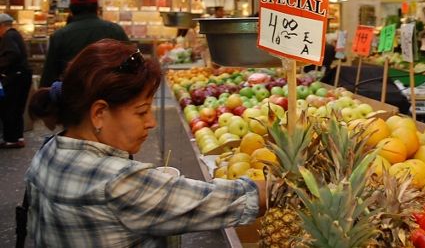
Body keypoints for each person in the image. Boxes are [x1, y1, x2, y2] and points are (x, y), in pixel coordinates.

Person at [26, 39, 265, 246]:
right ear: (99, 113)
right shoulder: (118, 182)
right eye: (141, 112)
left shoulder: (47, 151)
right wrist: (279, 187)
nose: (151, 122)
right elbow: (226, 200)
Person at [40, 0, 129, 87]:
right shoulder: (115, 30)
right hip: (109, 94)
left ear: (71, 10)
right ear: (96, 7)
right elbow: (134, 66)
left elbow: (49, 77)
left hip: (74, 96)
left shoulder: (60, 36)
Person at [0, 14, 32, 148]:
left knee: (9, 107)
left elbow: (13, 54)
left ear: (1, 26)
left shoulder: (8, 36)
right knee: (17, 108)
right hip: (22, 76)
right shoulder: (15, 35)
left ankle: (11, 139)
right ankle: (18, 137)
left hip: (15, 77)